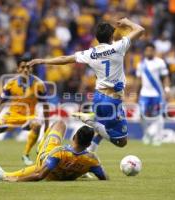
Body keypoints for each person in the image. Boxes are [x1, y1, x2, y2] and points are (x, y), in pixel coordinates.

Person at [27, 18, 145, 152]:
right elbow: (140, 30)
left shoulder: (90, 53)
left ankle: (89, 156)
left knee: (99, 133)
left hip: (99, 97)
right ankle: (90, 121)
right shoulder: (118, 47)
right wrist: (128, 22)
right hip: (112, 101)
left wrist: (42, 60)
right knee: (121, 142)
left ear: (97, 38)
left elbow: (65, 59)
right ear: (112, 36)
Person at [0, 61, 49, 167]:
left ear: (31, 69)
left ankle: (26, 154)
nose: (26, 69)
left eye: (28, 67)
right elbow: (1, 103)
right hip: (12, 115)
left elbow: (45, 105)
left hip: (30, 115)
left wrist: (47, 124)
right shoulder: (11, 83)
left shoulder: (39, 85)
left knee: (37, 124)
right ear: (18, 70)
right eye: (23, 67)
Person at [0, 120, 108, 181]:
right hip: (68, 172)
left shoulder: (59, 151)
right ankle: (83, 173)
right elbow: (104, 177)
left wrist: (16, 180)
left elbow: (39, 175)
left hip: (47, 163)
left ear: (74, 137)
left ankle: (5, 175)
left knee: (60, 123)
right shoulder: (92, 160)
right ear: (88, 144)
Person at [136, 43, 171, 145]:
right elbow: (138, 80)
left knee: (159, 116)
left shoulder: (160, 62)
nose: (149, 52)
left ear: (154, 51)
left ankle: (158, 138)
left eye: (151, 50)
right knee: (142, 115)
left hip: (157, 93)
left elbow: (165, 77)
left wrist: (167, 90)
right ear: (144, 52)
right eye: (147, 50)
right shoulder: (141, 64)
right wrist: (135, 93)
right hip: (144, 93)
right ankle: (146, 134)